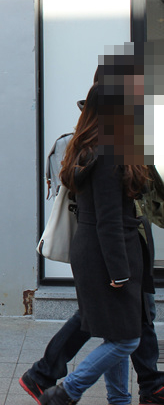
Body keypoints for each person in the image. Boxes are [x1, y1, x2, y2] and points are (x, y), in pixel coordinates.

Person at [22, 105, 164, 405]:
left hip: (109, 252)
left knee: (117, 332)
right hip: (110, 255)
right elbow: (109, 221)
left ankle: (119, 397)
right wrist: (120, 272)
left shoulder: (95, 151)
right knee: (126, 336)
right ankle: (64, 390)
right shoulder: (106, 156)